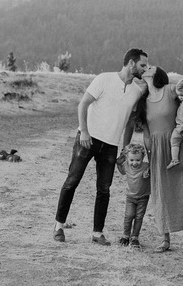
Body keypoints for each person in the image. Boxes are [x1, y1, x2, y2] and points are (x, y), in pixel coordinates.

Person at [53, 48, 149, 246]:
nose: (145, 69)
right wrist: (85, 132)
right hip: (87, 139)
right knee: (72, 181)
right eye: (142, 65)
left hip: (111, 146)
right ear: (131, 63)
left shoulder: (137, 91)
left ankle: (97, 233)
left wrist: (125, 149)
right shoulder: (104, 79)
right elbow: (83, 104)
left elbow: (130, 122)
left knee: (104, 189)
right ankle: (59, 226)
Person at [123, 66, 183, 254]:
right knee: (162, 192)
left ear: (156, 74)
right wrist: (149, 157)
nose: (146, 68)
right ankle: (165, 238)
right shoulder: (142, 101)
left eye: (149, 67)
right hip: (158, 149)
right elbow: (146, 134)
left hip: (181, 144)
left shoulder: (170, 90)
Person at [115, 143, 150, 250]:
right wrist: (118, 163)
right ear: (127, 158)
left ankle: (135, 237)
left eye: (138, 160)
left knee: (139, 217)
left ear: (142, 158)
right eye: (132, 160)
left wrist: (148, 172)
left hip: (143, 197)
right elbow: (122, 171)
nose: (135, 163)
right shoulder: (126, 165)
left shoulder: (146, 166)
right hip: (130, 197)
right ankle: (125, 235)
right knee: (129, 215)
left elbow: (153, 169)